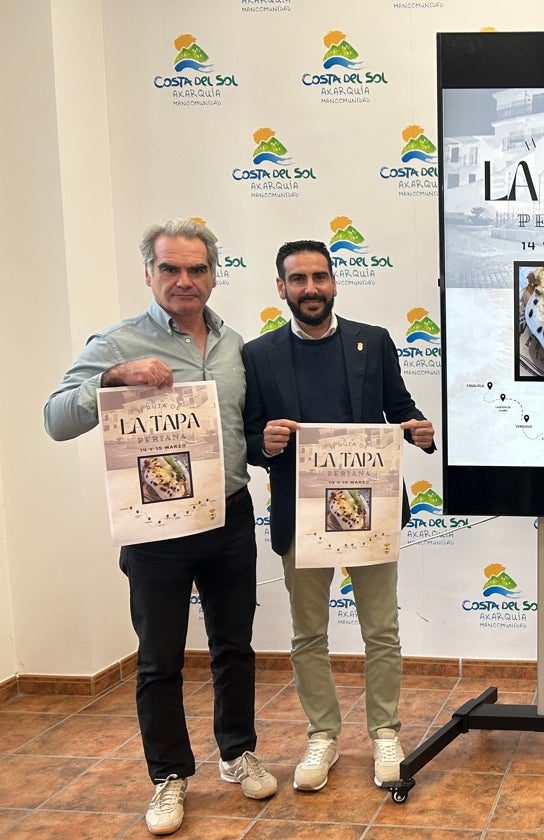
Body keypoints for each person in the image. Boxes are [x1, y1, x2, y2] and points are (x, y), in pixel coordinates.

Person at [44, 218, 277, 836]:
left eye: (196, 269)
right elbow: (56, 419)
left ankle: (237, 753)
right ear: (148, 273)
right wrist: (110, 380)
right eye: (170, 268)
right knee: (159, 659)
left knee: (234, 647)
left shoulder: (235, 345)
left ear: (213, 274)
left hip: (228, 513)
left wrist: (275, 443)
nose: (184, 280)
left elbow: (243, 435)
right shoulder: (118, 342)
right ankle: (168, 777)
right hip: (155, 527)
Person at [242, 239, 436, 793]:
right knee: (308, 635)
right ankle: (322, 735)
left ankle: (384, 734)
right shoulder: (258, 355)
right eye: (298, 279)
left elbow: (399, 410)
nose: (310, 289)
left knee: (382, 631)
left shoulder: (371, 343)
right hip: (301, 521)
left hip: (368, 514)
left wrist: (420, 429)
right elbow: (250, 439)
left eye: (320, 277)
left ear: (334, 282)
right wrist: (267, 442)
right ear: (281, 288)